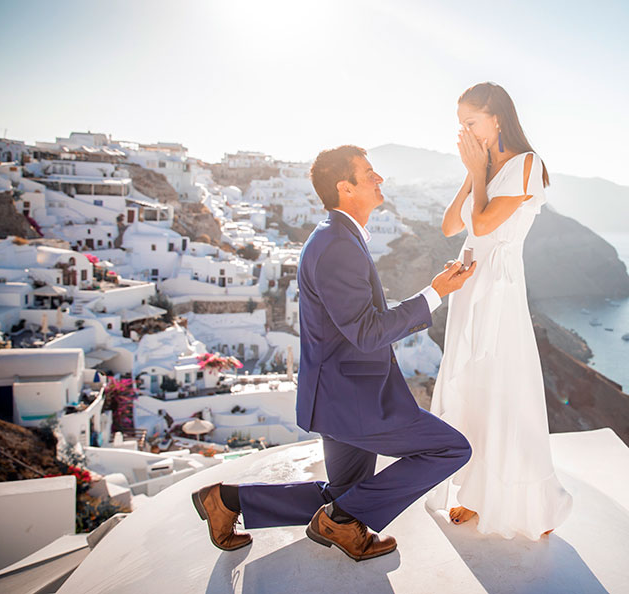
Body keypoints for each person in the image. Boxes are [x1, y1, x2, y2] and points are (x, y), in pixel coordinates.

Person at [192, 145, 476, 561]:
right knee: (450, 449)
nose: (380, 179)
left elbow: (355, 322)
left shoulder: (337, 237)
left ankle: (227, 500)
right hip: (354, 399)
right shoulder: (337, 244)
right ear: (345, 187)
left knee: (347, 497)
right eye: (369, 173)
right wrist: (435, 293)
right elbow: (366, 332)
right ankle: (339, 523)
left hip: (338, 394)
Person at [426, 82, 573, 539]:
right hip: (470, 283)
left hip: (500, 287)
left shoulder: (528, 165)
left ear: (496, 117)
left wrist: (478, 170)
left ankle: (528, 504)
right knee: (472, 386)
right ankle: (474, 493)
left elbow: (487, 223)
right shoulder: (483, 168)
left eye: (471, 123)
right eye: (461, 127)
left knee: (505, 387)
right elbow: (452, 225)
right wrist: (474, 173)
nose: (466, 133)